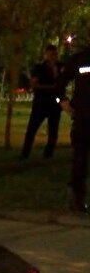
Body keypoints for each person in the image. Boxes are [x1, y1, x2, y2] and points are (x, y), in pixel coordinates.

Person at [57, 44, 90, 214]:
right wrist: (62, 101)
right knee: (80, 159)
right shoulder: (79, 59)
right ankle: (77, 197)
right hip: (84, 117)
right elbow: (60, 83)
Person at [20, 44, 63, 160]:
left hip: (55, 103)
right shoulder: (39, 68)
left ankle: (48, 154)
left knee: (53, 130)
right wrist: (50, 87)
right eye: (49, 55)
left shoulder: (60, 67)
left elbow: (62, 82)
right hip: (41, 102)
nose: (52, 57)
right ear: (45, 55)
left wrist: (56, 74)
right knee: (32, 128)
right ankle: (25, 153)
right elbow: (34, 84)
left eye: (54, 55)